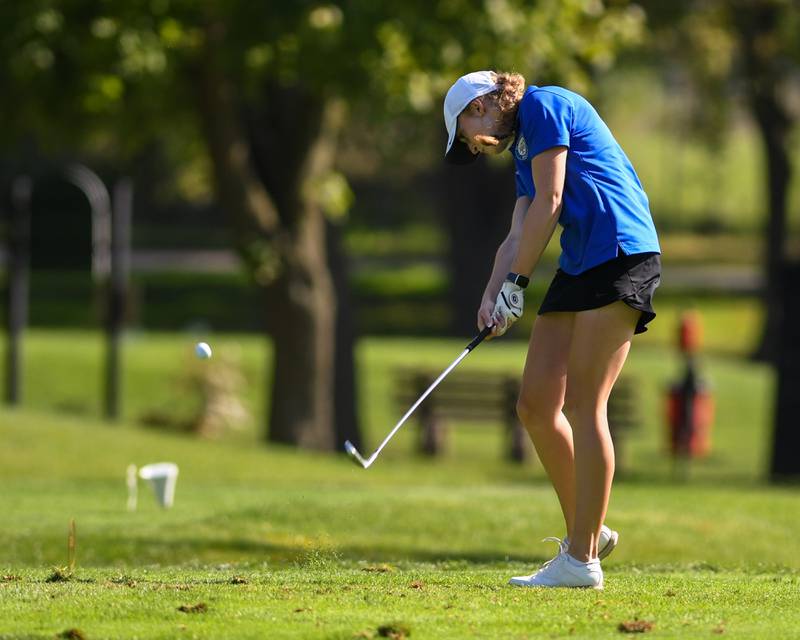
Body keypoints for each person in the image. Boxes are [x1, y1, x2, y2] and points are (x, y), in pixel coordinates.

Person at [443, 71, 661, 589]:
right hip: (582, 260)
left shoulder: (544, 106)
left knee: (586, 405)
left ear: (483, 105)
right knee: (536, 405)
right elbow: (519, 227)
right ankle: (592, 529)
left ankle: (581, 560)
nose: (474, 145)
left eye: (467, 131)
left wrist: (519, 280)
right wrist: (494, 290)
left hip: (621, 252)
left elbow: (552, 201)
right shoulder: (523, 146)